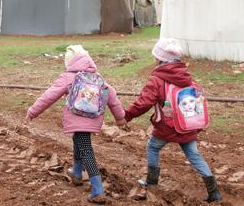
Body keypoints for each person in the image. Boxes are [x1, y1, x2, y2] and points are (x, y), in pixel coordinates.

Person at [124, 38, 222, 203]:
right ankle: (214, 192)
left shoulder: (157, 79)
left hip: (167, 127)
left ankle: (152, 183)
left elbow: (144, 103)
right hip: (188, 124)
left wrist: (127, 115)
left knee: (153, 147)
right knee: (194, 155)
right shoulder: (187, 78)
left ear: (160, 59)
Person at [26, 45, 126, 204]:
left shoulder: (67, 77)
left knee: (86, 149)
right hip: (93, 119)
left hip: (77, 120)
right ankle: (77, 172)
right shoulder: (97, 77)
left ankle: (97, 189)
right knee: (78, 141)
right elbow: (111, 94)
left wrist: (33, 111)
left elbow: (49, 95)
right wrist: (120, 117)